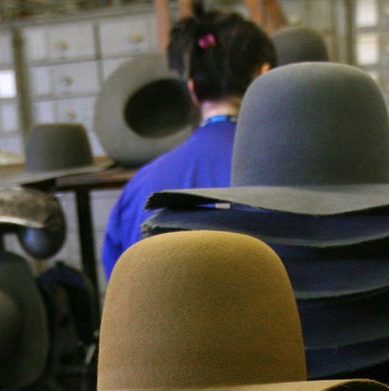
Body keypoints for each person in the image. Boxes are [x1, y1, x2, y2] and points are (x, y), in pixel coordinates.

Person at [100, 5, 275, 275]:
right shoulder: (287, 176)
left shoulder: (140, 187)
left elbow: (120, 286)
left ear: (192, 88)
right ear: (264, 74)